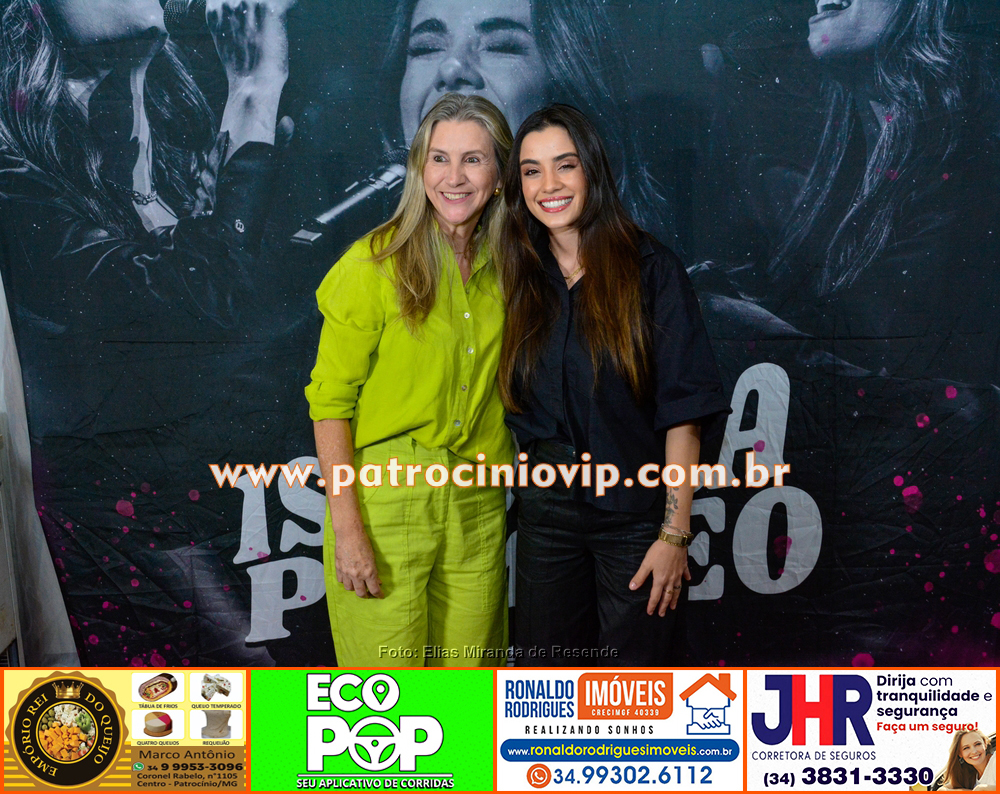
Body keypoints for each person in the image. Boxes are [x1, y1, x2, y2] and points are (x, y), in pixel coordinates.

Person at [0, 0, 296, 666]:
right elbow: (190, 297)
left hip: (203, 509)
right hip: (111, 535)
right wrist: (253, 90)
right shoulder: (13, 173)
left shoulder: (162, 149)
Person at [497, 104, 729, 666]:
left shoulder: (653, 270)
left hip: (634, 520)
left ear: (593, 169)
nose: (549, 186)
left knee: (634, 690)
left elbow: (684, 414)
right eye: (531, 171)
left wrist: (674, 535)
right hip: (546, 521)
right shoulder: (518, 276)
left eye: (565, 165)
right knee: (545, 685)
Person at [305, 93, 514, 667]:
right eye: (439, 158)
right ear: (419, 169)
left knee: (470, 692)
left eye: (473, 159)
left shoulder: (512, 268)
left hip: (477, 503)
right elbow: (330, 404)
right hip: (385, 501)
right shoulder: (371, 265)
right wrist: (349, 531)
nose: (454, 177)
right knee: (388, 702)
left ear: (499, 176)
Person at [375, 0, 672, 245]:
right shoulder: (366, 271)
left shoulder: (652, 283)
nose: (451, 67)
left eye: (501, 45)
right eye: (426, 48)